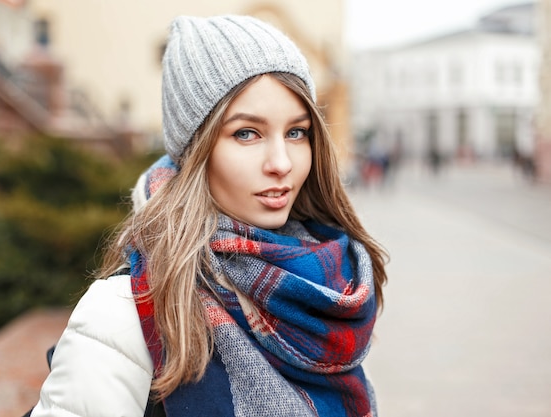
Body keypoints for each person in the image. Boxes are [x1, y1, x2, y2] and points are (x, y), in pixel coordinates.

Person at [29, 14, 388, 417]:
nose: (281, 162)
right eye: (246, 133)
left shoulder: (328, 288)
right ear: (196, 150)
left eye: (296, 132)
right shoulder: (126, 314)